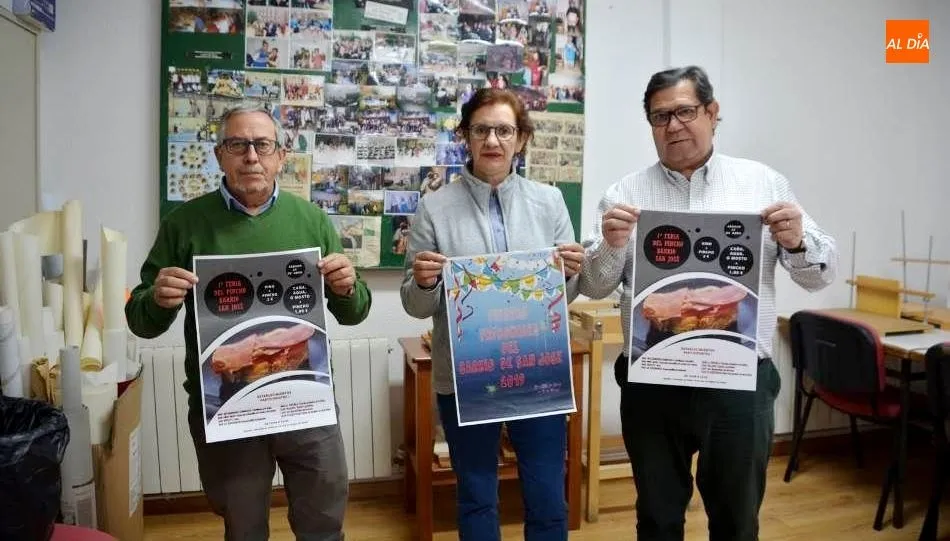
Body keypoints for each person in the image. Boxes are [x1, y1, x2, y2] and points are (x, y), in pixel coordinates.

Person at [578, 66, 838, 541]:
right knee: (657, 517)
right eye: (660, 117)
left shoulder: (764, 184)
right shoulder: (623, 195)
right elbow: (593, 287)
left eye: (685, 111)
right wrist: (612, 246)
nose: (673, 125)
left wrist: (799, 242)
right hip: (653, 380)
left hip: (738, 385)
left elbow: (819, 276)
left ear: (713, 113)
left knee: (736, 520)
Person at [125, 104, 372, 541]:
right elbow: (142, 323)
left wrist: (347, 287)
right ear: (220, 155)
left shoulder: (311, 220)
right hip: (227, 404)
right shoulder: (184, 223)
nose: (251, 156)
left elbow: (354, 313)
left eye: (262, 145)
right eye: (238, 145)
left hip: (304, 398)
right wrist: (159, 299)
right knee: (243, 527)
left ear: (281, 156)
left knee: (323, 516)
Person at [400, 88, 586, 541]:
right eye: (481, 129)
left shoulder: (550, 201)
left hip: (537, 370)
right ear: (465, 135)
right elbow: (414, 302)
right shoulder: (434, 207)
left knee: (546, 494)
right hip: (467, 377)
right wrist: (425, 282)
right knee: (477, 495)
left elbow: (568, 292)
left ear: (520, 139)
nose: (493, 140)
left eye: (504, 130)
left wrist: (571, 272)